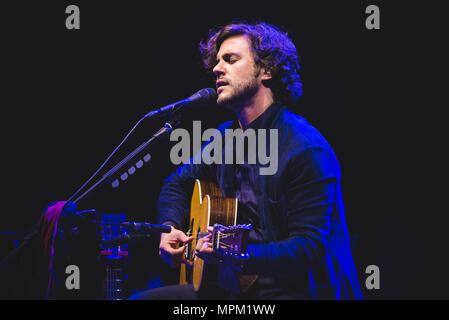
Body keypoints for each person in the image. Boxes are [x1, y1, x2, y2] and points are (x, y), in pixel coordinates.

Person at [129, 21, 363, 300]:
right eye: (216, 61)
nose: (216, 69)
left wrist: (236, 253)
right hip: (234, 286)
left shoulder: (305, 147)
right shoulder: (224, 137)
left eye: (230, 59)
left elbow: (308, 246)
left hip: (293, 290)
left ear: (267, 69)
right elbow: (176, 184)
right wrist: (168, 229)